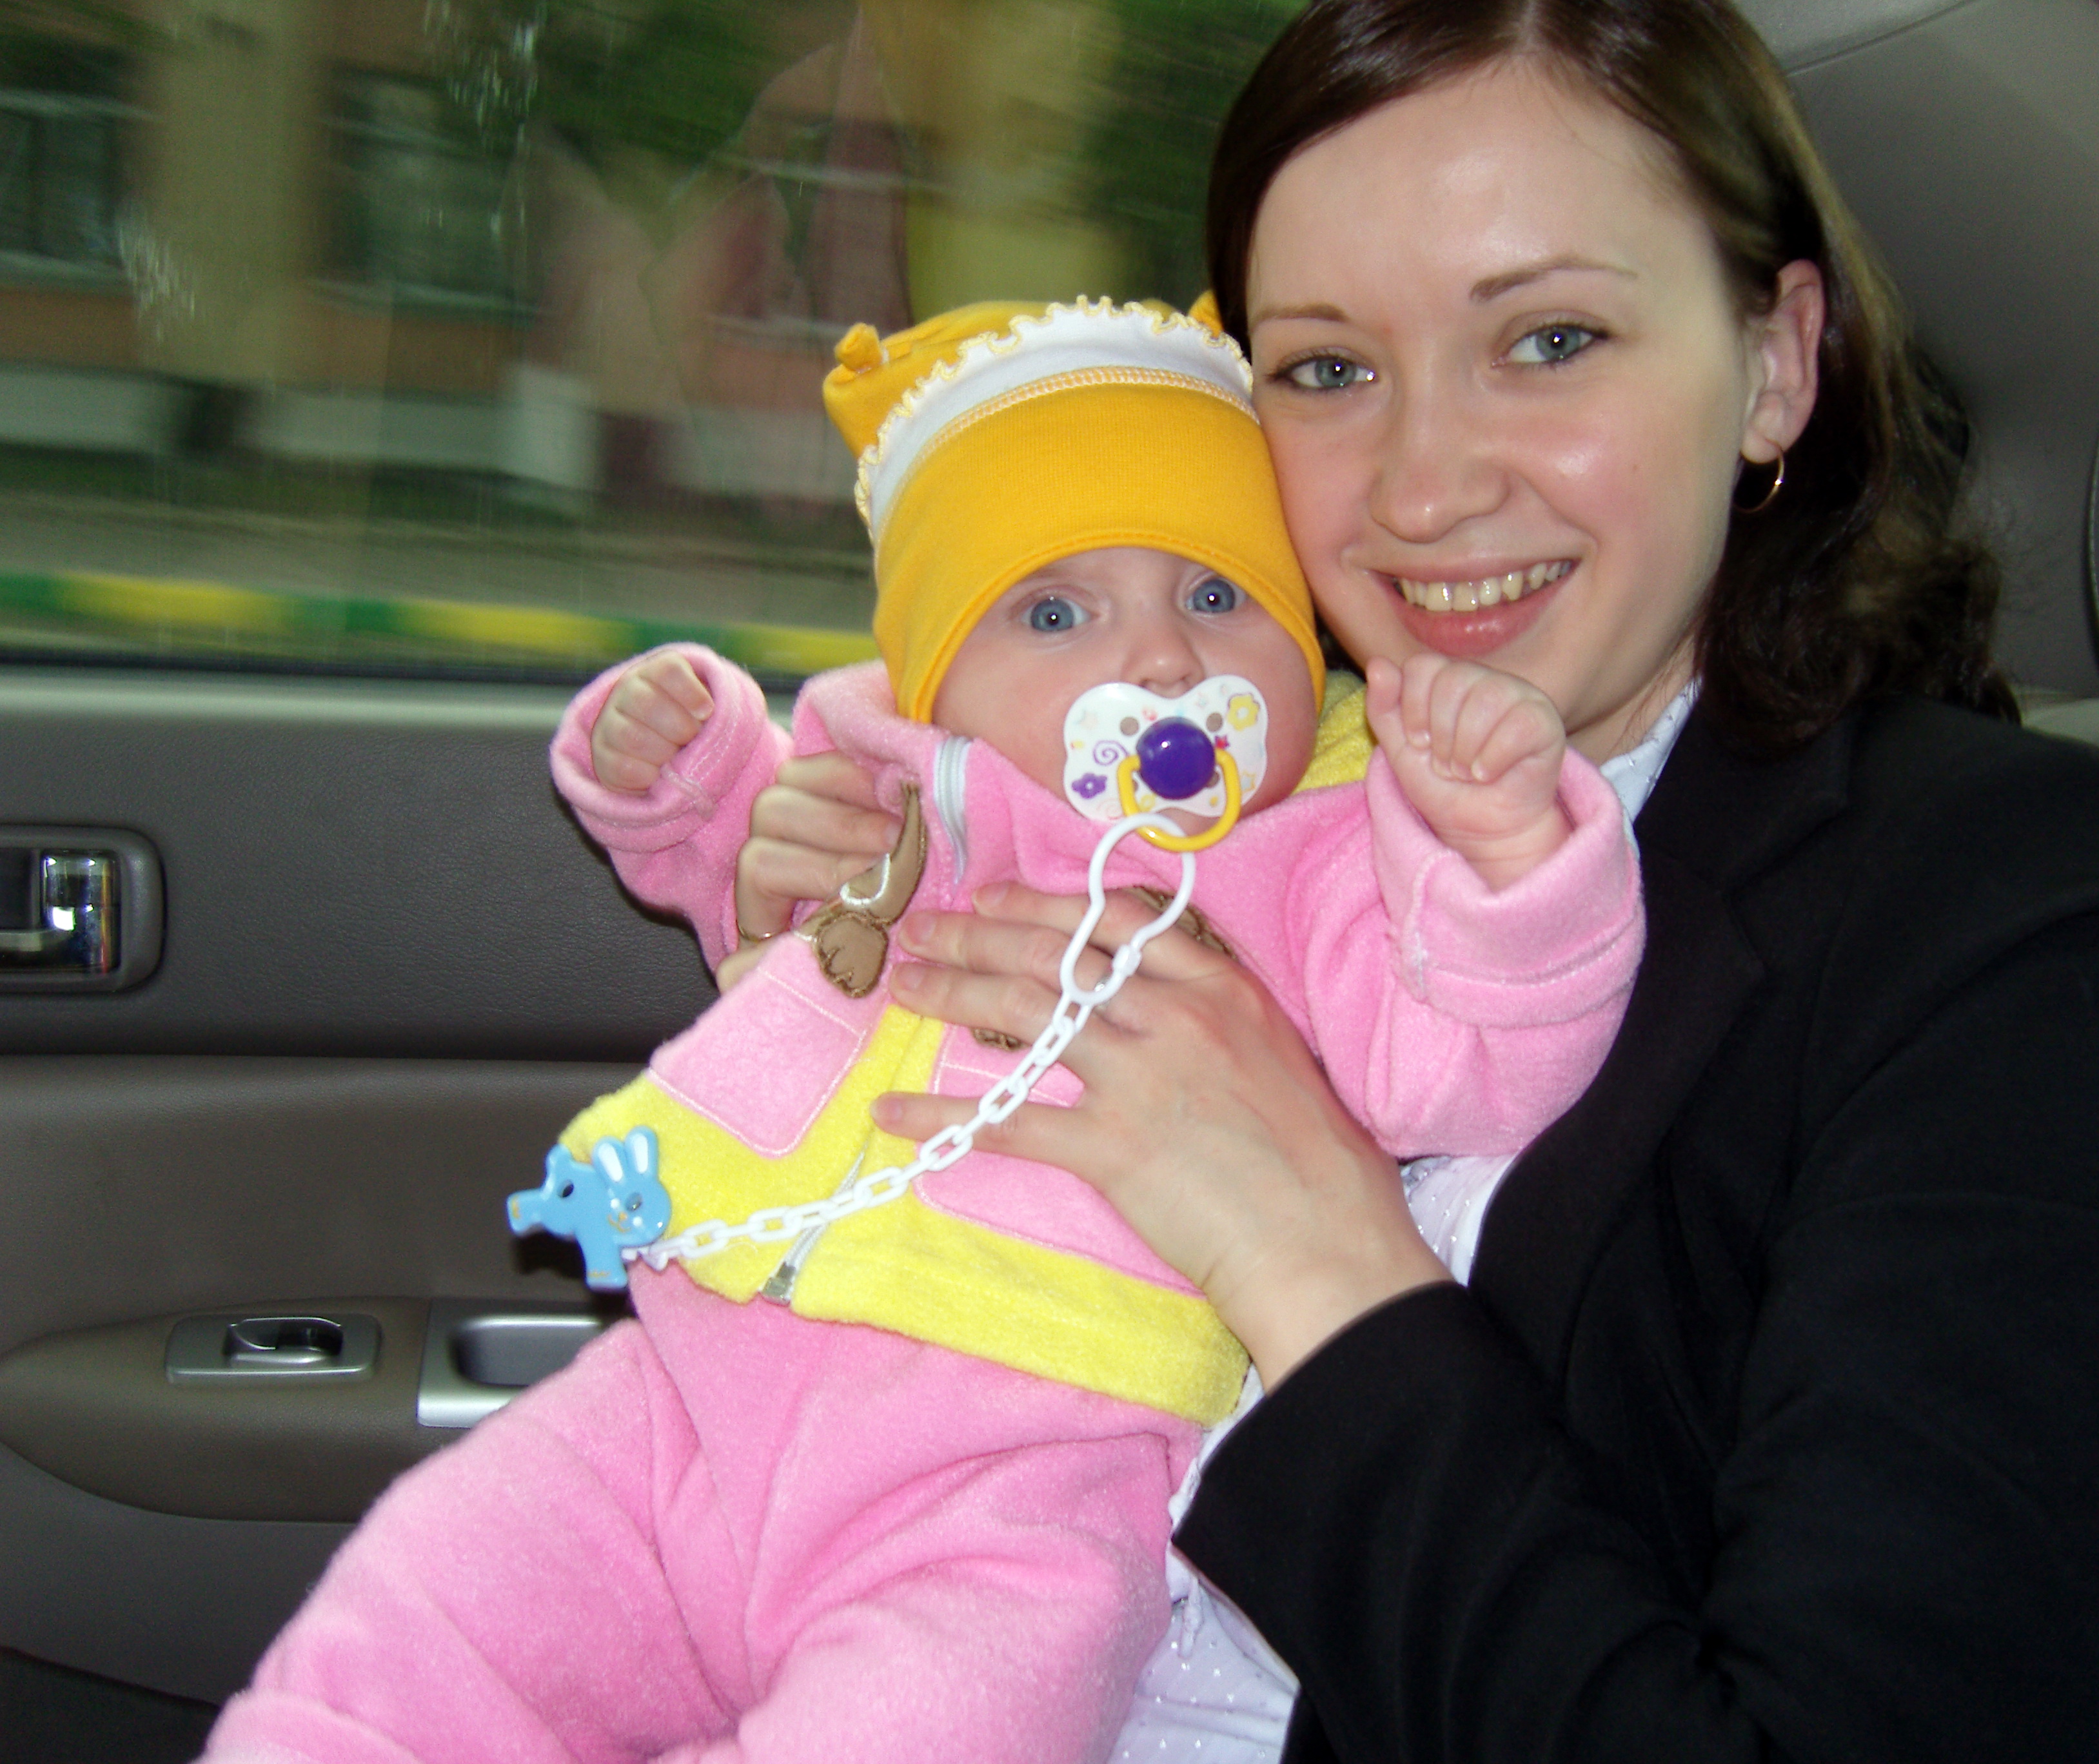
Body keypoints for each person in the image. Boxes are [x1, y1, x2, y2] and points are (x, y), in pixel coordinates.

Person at [727, 3, 2099, 1761]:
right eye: (1327, 371)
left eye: (1550, 339)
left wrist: (1308, 1255)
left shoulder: (1986, 898)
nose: (1424, 490)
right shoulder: (1220, 781)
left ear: (1774, 364)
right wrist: (837, 994)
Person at [197, 297, 1644, 1764]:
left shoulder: (1325, 850)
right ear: (935, 678)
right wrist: (697, 781)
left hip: (1016, 1491)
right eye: (1055, 613)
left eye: (1217, 595)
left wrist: (1507, 861)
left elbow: (1475, 1063)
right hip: (694, 1398)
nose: (1159, 660)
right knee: (413, 1628)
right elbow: (781, 941)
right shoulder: (894, 791)